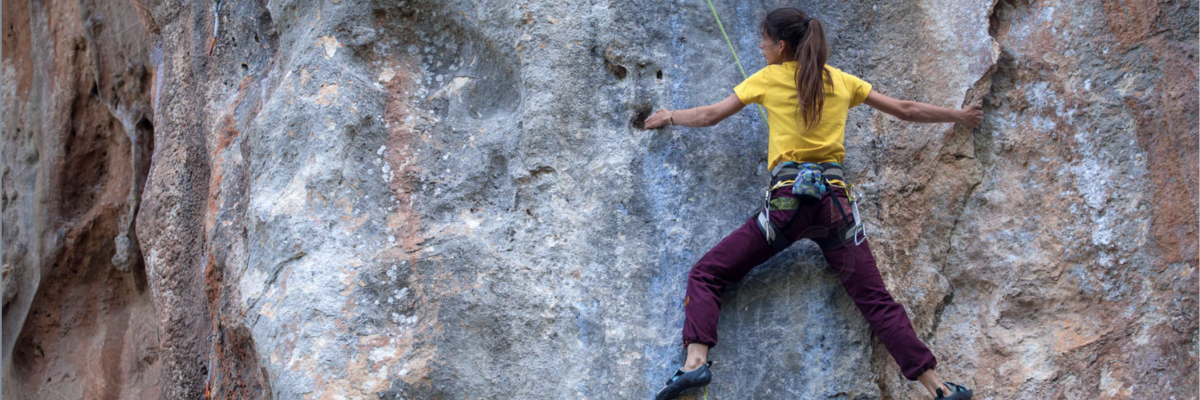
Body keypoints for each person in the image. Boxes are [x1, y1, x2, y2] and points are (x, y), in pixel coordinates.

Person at [645, 7, 983, 400]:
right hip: (836, 207)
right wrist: (959, 115)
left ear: (781, 45)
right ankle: (938, 388)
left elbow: (709, 116)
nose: (760, 45)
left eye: (764, 39)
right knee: (875, 300)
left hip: (788, 205)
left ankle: (694, 365)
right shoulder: (841, 81)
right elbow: (906, 110)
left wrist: (670, 116)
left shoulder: (769, 78)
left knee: (707, 273)